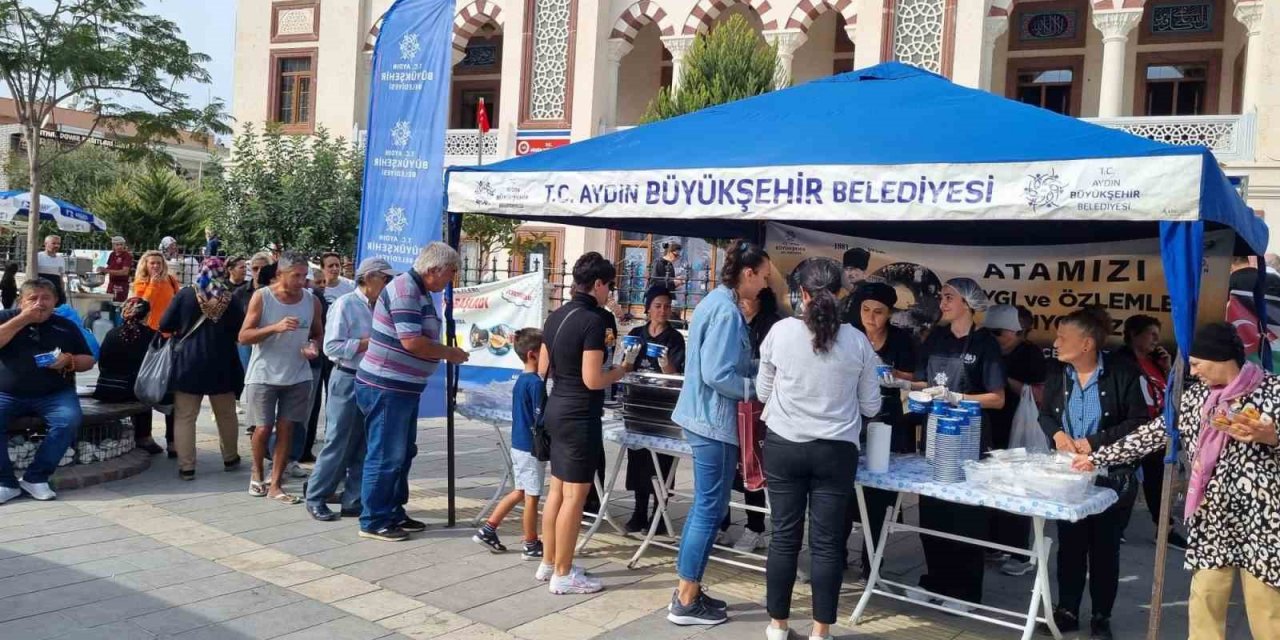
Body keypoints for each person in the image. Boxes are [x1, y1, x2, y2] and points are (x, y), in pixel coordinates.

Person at [1075, 322, 1280, 640]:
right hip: (1213, 518)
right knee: (1204, 604)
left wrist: (1273, 436)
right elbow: (1154, 434)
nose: (1194, 372)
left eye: (1197, 364)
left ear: (1220, 357)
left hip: (1264, 522)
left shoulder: (1273, 392)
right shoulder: (1198, 398)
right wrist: (1098, 457)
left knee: (1268, 611)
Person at [757, 257, 881, 640]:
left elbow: (762, 392)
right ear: (843, 295)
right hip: (835, 452)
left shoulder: (779, 332)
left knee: (783, 536)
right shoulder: (858, 341)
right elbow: (871, 406)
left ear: (803, 294)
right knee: (827, 544)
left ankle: (777, 627)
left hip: (784, 446)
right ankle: (820, 632)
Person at [667, 241, 771, 625]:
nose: (763, 284)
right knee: (709, 511)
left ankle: (687, 590)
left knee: (704, 509)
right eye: (762, 276)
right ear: (747, 273)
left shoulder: (715, 301)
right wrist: (754, 387)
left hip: (703, 419)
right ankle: (685, 599)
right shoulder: (727, 312)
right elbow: (717, 374)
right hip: (714, 423)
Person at [1038, 307, 1146, 640]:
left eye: (1062, 337)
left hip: (1109, 475)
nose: (1055, 343)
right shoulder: (1058, 373)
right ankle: (1067, 610)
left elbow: (1137, 423)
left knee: (1104, 548)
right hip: (1069, 475)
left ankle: (1101, 615)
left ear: (1086, 344)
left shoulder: (1122, 372)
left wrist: (1092, 442)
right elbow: (1045, 415)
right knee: (1069, 544)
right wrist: (1056, 434)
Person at [537, 252, 639, 592]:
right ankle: (563, 575)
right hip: (580, 413)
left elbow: (542, 369)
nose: (611, 292)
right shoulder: (597, 319)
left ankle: (549, 562)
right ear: (597, 284)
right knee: (575, 497)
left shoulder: (556, 315)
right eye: (609, 285)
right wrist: (623, 369)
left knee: (557, 490)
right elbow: (593, 379)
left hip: (556, 405)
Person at [356, 242, 469, 541]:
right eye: (450, 273)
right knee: (385, 454)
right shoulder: (406, 290)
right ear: (433, 270)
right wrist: (449, 353)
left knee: (403, 452)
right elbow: (412, 342)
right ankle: (374, 519)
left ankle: (393, 511)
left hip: (400, 386)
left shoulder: (418, 290)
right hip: (386, 385)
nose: (451, 280)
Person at [908, 277, 1005, 612]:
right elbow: (922, 379)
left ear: (969, 303)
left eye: (949, 297)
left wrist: (958, 397)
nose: (942, 302)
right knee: (932, 514)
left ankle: (965, 591)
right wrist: (906, 385)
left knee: (964, 517)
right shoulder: (935, 337)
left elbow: (997, 398)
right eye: (941, 296)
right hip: (935, 437)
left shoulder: (985, 345)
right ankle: (935, 581)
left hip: (970, 441)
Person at [305, 257, 395, 522]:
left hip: (373, 378)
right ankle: (316, 496)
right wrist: (369, 343)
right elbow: (331, 347)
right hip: (347, 376)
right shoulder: (346, 304)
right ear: (368, 278)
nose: (388, 283)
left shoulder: (382, 305)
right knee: (338, 440)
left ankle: (353, 499)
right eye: (384, 278)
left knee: (365, 443)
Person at [843, 281, 918, 577]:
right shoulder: (848, 334)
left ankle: (872, 561)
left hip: (887, 419)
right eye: (865, 310)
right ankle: (837, 555)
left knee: (879, 493)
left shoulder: (901, 339)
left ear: (889, 314)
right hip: (850, 416)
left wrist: (889, 373)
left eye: (878, 312)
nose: (870, 317)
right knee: (845, 490)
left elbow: (912, 376)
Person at [0, 279, 96, 504]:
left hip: (54, 394)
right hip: (6, 393)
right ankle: (5, 482)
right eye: (32, 298)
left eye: (46, 298)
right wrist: (23, 319)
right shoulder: (6, 318)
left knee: (69, 419)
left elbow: (89, 360)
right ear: (21, 300)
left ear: (55, 301)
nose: (39, 304)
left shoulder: (65, 325)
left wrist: (69, 360)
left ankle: (36, 478)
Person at [239, 252, 323, 504]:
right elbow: (244, 336)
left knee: (287, 428)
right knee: (263, 428)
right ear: (280, 274)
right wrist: (274, 327)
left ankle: (275, 483)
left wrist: (313, 346)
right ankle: (257, 473)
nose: (301, 281)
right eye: (295, 275)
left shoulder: (311, 300)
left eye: (304, 275)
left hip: (298, 374)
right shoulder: (262, 297)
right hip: (264, 373)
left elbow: (318, 332)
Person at [160, 257, 247, 481]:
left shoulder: (186, 294)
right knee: (226, 414)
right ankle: (230, 457)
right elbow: (241, 329)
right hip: (222, 362)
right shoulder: (230, 297)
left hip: (189, 361)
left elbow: (165, 324)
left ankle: (186, 467)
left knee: (185, 416)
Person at [981, 304, 1047, 576]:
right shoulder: (987, 350)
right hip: (990, 426)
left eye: (1000, 333)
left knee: (1017, 487)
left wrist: (1002, 379)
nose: (995, 338)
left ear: (1016, 332)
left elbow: (1039, 394)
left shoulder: (1030, 354)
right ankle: (992, 544)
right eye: (989, 333)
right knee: (988, 485)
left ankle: (1019, 552)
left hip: (1019, 429)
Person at [1113, 314, 1189, 550]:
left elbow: (1168, 392)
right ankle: (1115, 528)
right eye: (1151, 335)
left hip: (1157, 429)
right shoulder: (1121, 361)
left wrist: (1167, 369)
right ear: (1134, 335)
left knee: (1158, 482)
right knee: (1124, 480)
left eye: (1158, 335)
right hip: (1132, 428)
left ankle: (1165, 529)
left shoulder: (1155, 362)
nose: (1156, 340)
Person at [473, 328, 548, 561]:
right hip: (531, 447)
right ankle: (531, 543)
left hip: (519, 444)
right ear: (533, 354)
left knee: (521, 491)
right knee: (532, 496)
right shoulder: (535, 383)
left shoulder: (521, 380)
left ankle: (489, 529)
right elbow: (541, 417)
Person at [716, 286, 781, 552]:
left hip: (759, 405)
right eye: (739, 299)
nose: (742, 303)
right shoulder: (734, 322)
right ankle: (721, 524)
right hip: (734, 402)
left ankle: (755, 527)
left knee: (752, 466)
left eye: (748, 298)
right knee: (729, 466)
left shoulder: (773, 327)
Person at [623, 285, 686, 535]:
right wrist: (627, 359)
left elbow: (677, 375)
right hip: (639, 405)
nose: (663, 311)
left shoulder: (675, 338)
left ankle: (659, 514)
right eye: (658, 306)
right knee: (638, 459)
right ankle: (638, 512)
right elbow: (626, 368)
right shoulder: (637, 334)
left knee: (662, 462)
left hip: (664, 409)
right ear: (648, 308)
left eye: (667, 306)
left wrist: (665, 363)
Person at [93, 297, 164, 455]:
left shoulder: (112, 333)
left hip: (107, 388)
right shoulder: (152, 336)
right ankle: (145, 438)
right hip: (134, 391)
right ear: (147, 316)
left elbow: (102, 363)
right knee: (145, 393)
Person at [132, 248, 182, 455]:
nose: (155, 266)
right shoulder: (140, 282)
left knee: (171, 390)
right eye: (151, 263)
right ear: (145, 265)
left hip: (169, 337)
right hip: (147, 337)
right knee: (147, 385)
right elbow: (143, 304)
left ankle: (173, 440)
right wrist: (152, 282)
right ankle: (145, 436)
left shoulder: (170, 280)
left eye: (158, 263)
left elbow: (178, 302)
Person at [97, 236, 135, 303]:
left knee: (117, 306)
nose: (120, 246)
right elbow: (109, 267)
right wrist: (101, 272)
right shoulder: (112, 254)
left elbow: (124, 272)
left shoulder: (127, 256)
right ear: (113, 245)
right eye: (117, 244)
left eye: (121, 244)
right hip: (111, 284)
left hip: (121, 286)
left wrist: (107, 271)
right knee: (108, 304)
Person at [36, 235, 66, 304]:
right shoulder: (38, 256)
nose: (56, 246)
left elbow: (61, 277)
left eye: (58, 244)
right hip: (41, 291)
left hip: (55, 292)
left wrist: (62, 291)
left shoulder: (61, 259)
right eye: (54, 243)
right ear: (46, 244)